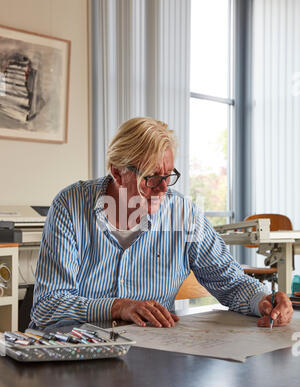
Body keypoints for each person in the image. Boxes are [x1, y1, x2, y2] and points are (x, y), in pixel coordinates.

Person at [30, 117, 293, 331]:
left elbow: (230, 281)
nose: (163, 188)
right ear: (117, 172)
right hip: (71, 357)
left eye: (168, 175)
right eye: (150, 177)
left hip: (148, 355)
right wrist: (119, 306)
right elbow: (48, 306)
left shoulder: (182, 213)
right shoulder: (69, 205)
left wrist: (264, 300)